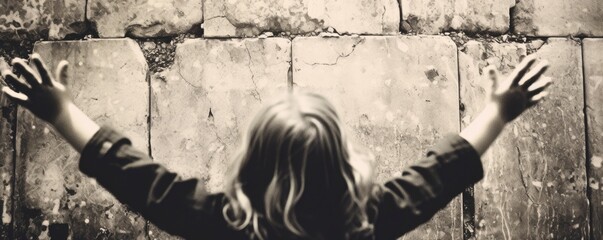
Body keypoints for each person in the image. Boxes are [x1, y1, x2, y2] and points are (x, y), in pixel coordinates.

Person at [0, 53, 551, 240]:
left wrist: (60, 111)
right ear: (343, 165)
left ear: (249, 163)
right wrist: (499, 110)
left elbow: (138, 179)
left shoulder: (220, 222)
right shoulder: (366, 222)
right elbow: (438, 175)